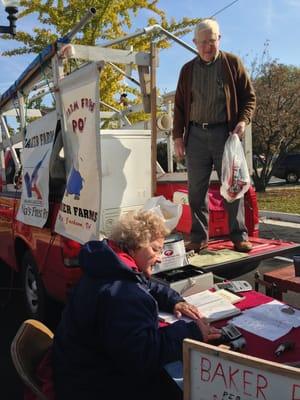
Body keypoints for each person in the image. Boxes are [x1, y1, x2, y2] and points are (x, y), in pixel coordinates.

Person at [52, 210, 220, 400]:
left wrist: (175, 301)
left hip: (77, 370)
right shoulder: (124, 293)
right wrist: (192, 332)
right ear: (134, 246)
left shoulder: (109, 266)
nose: (160, 258)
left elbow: (145, 284)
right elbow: (144, 355)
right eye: (155, 249)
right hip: (94, 386)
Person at [173, 18, 256, 253]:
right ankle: (199, 238)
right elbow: (179, 105)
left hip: (224, 134)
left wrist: (242, 121)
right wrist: (178, 136)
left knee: (232, 186)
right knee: (196, 190)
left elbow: (249, 98)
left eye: (212, 41)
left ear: (219, 39)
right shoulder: (187, 70)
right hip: (196, 135)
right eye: (203, 42)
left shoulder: (232, 63)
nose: (208, 47)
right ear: (194, 43)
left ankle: (239, 236)